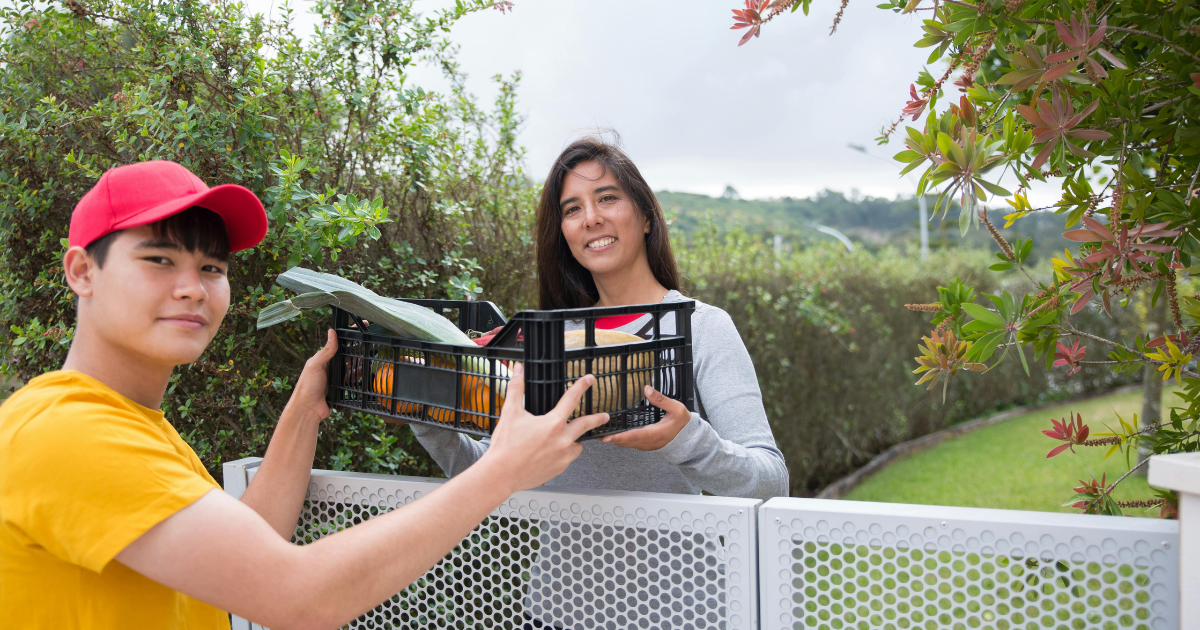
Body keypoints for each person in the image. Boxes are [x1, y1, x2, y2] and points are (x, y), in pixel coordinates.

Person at [0, 160, 609, 630]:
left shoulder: (129, 423)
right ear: (82, 271)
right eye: (159, 259)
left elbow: (245, 544)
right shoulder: (67, 432)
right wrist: (500, 471)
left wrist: (304, 409)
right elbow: (296, 596)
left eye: (212, 269)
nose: (192, 288)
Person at [414, 136, 788, 499]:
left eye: (607, 198)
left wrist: (685, 440)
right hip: (559, 566)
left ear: (645, 216)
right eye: (572, 209)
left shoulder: (702, 327)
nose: (591, 218)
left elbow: (771, 483)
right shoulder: (550, 339)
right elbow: (490, 471)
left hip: (682, 566)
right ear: (563, 233)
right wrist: (425, 415)